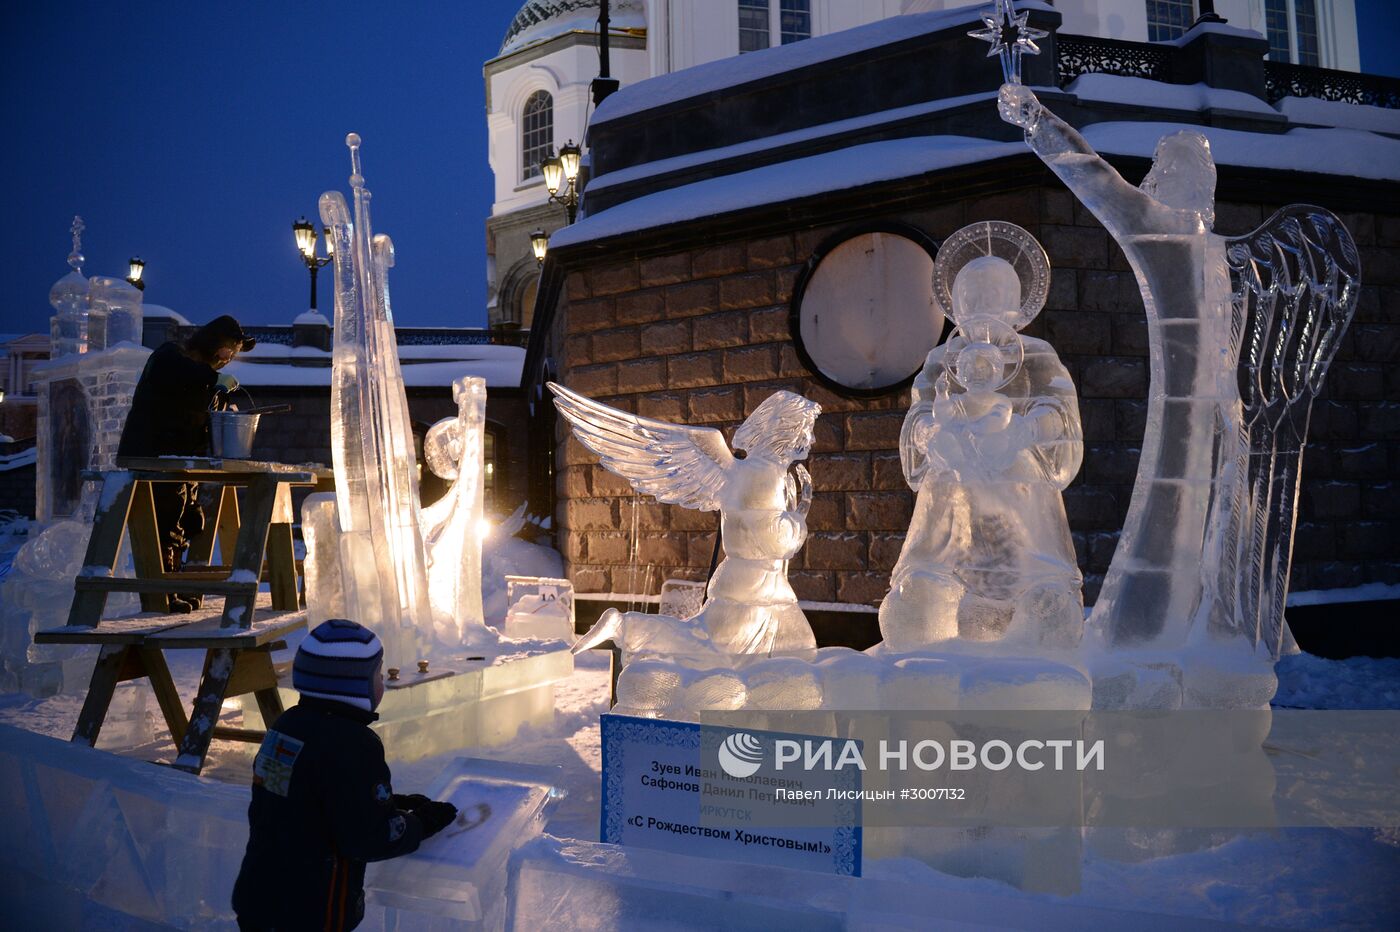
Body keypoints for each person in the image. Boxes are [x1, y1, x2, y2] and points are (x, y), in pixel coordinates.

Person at [232, 619, 458, 931]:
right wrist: (422, 822)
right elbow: (368, 838)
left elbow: (305, 794)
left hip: (260, 897)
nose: (382, 681)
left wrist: (389, 801)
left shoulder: (287, 726)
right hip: (314, 911)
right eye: (377, 674)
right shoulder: (353, 744)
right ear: (354, 685)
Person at [117, 315, 254, 611]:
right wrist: (212, 379)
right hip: (152, 455)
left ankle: (173, 588)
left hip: (182, 462)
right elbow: (181, 372)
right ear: (213, 342)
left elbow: (203, 426)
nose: (228, 358)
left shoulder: (205, 381)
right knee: (165, 521)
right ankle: (161, 596)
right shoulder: (170, 355)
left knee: (186, 521)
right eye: (228, 349)